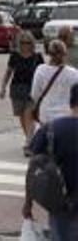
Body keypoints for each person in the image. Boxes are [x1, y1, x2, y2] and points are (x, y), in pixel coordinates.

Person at [23, 82, 78, 240]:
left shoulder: (51, 129)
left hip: (61, 205)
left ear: (71, 101)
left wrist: (28, 203)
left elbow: (33, 167)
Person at [1, 32, 43, 152]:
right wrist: (3, 87)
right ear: (19, 43)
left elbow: (42, 75)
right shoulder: (14, 56)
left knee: (28, 115)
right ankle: (30, 139)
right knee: (21, 117)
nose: (25, 45)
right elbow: (8, 73)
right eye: (23, 42)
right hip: (17, 89)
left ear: (32, 43)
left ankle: (29, 142)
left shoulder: (37, 57)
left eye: (28, 42)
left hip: (32, 90)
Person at [32, 40, 78, 127]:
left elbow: (34, 94)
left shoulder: (40, 70)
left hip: (46, 115)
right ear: (65, 54)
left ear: (49, 54)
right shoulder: (74, 73)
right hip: (66, 115)